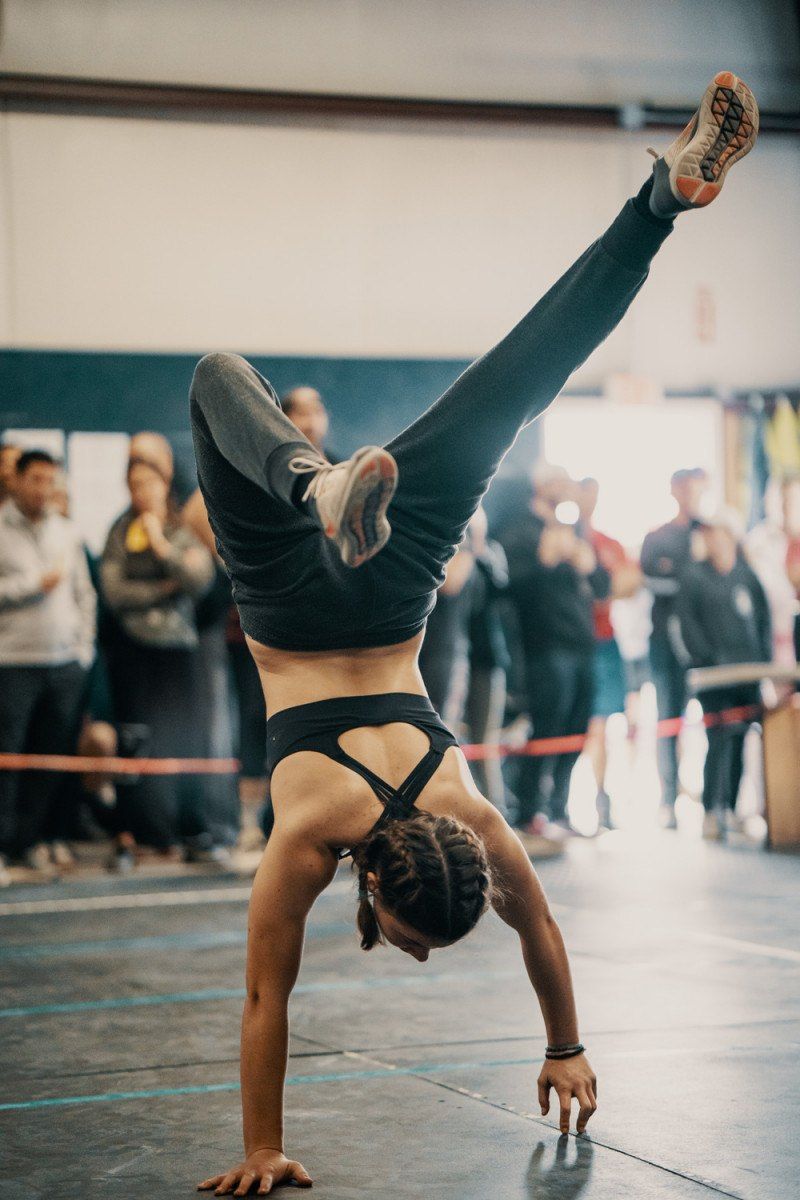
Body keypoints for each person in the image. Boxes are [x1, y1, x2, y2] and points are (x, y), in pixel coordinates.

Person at [192, 72, 757, 1194]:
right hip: (288, 607)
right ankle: (308, 487)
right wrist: (260, 1148)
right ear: (381, 894)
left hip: (390, 575)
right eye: (413, 940)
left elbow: (537, 929)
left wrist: (567, 1042)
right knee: (214, 377)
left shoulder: (470, 810)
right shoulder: (306, 844)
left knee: (520, 376)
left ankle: (659, 202)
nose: (406, 951)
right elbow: (267, 998)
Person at [100, 457, 222, 860]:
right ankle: (140, 832)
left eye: (150, 484)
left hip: (178, 651)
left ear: (163, 487)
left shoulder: (178, 531)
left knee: (188, 742)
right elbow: (116, 594)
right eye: (136, 485)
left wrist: (161, 548)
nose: (143, 492)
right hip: (134, 654)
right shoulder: (118, 533)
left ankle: (193, 832)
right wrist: (164, 590)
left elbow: (198, 581)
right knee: (136, 743)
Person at [0, 450, 96, 879]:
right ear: (17, 481)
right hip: (13, 663)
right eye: (34, 479)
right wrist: (33, 586)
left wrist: (83, 650)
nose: (42, 489)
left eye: (48, 481)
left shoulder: (67, 532)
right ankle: (2, 845)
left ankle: (29, 841)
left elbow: (84, 595)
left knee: (50, 761)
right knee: (9, 759)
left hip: (63, 667)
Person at [676, 507, 771, 839]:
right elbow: (687, 625)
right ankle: (711, 810)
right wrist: (707, 659)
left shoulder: (746, 576)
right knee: (717, 739)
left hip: (748, 675)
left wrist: (763, 663)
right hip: (714, 678)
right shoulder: (693, 577)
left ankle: (731, 807)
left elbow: (762, 621)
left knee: (742, 738)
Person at [640, 466, 708, 826]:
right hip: (665, 644)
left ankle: (715, 800)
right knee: (669, 719)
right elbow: (652, 578)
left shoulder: (711, 534)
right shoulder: (658, 537)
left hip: (706, 646)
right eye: (683, 487)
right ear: (673, 490)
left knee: (717, 720)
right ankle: (668, 798)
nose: (689, 494)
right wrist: (689, 572)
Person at [578, 478, 643, 829]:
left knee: (604, 724)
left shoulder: (607, 542)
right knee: (586, 726)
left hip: (605, 641)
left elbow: (630, 583)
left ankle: (603, 796)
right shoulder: (569, 537)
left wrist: (599, 588)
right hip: (575, 643)